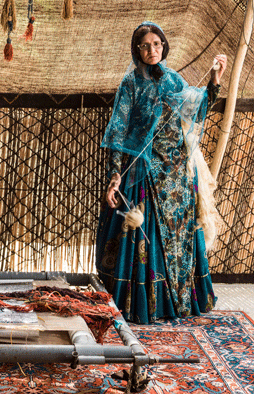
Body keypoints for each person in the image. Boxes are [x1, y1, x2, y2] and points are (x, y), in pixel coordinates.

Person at [95, 21, 227, 324]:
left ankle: (178, 302)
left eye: (157, 44)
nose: (151, 50)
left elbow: (197, 111)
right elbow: (118, 132)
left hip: (177, 174)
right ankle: (145, 306)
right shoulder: (130, 84)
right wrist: (115, 177)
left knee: (180, 237)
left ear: (163, 46)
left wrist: (214, 79)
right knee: (142, 237)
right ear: (137, 50)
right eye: (145, 45)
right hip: (142, 171)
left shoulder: (173, 80)